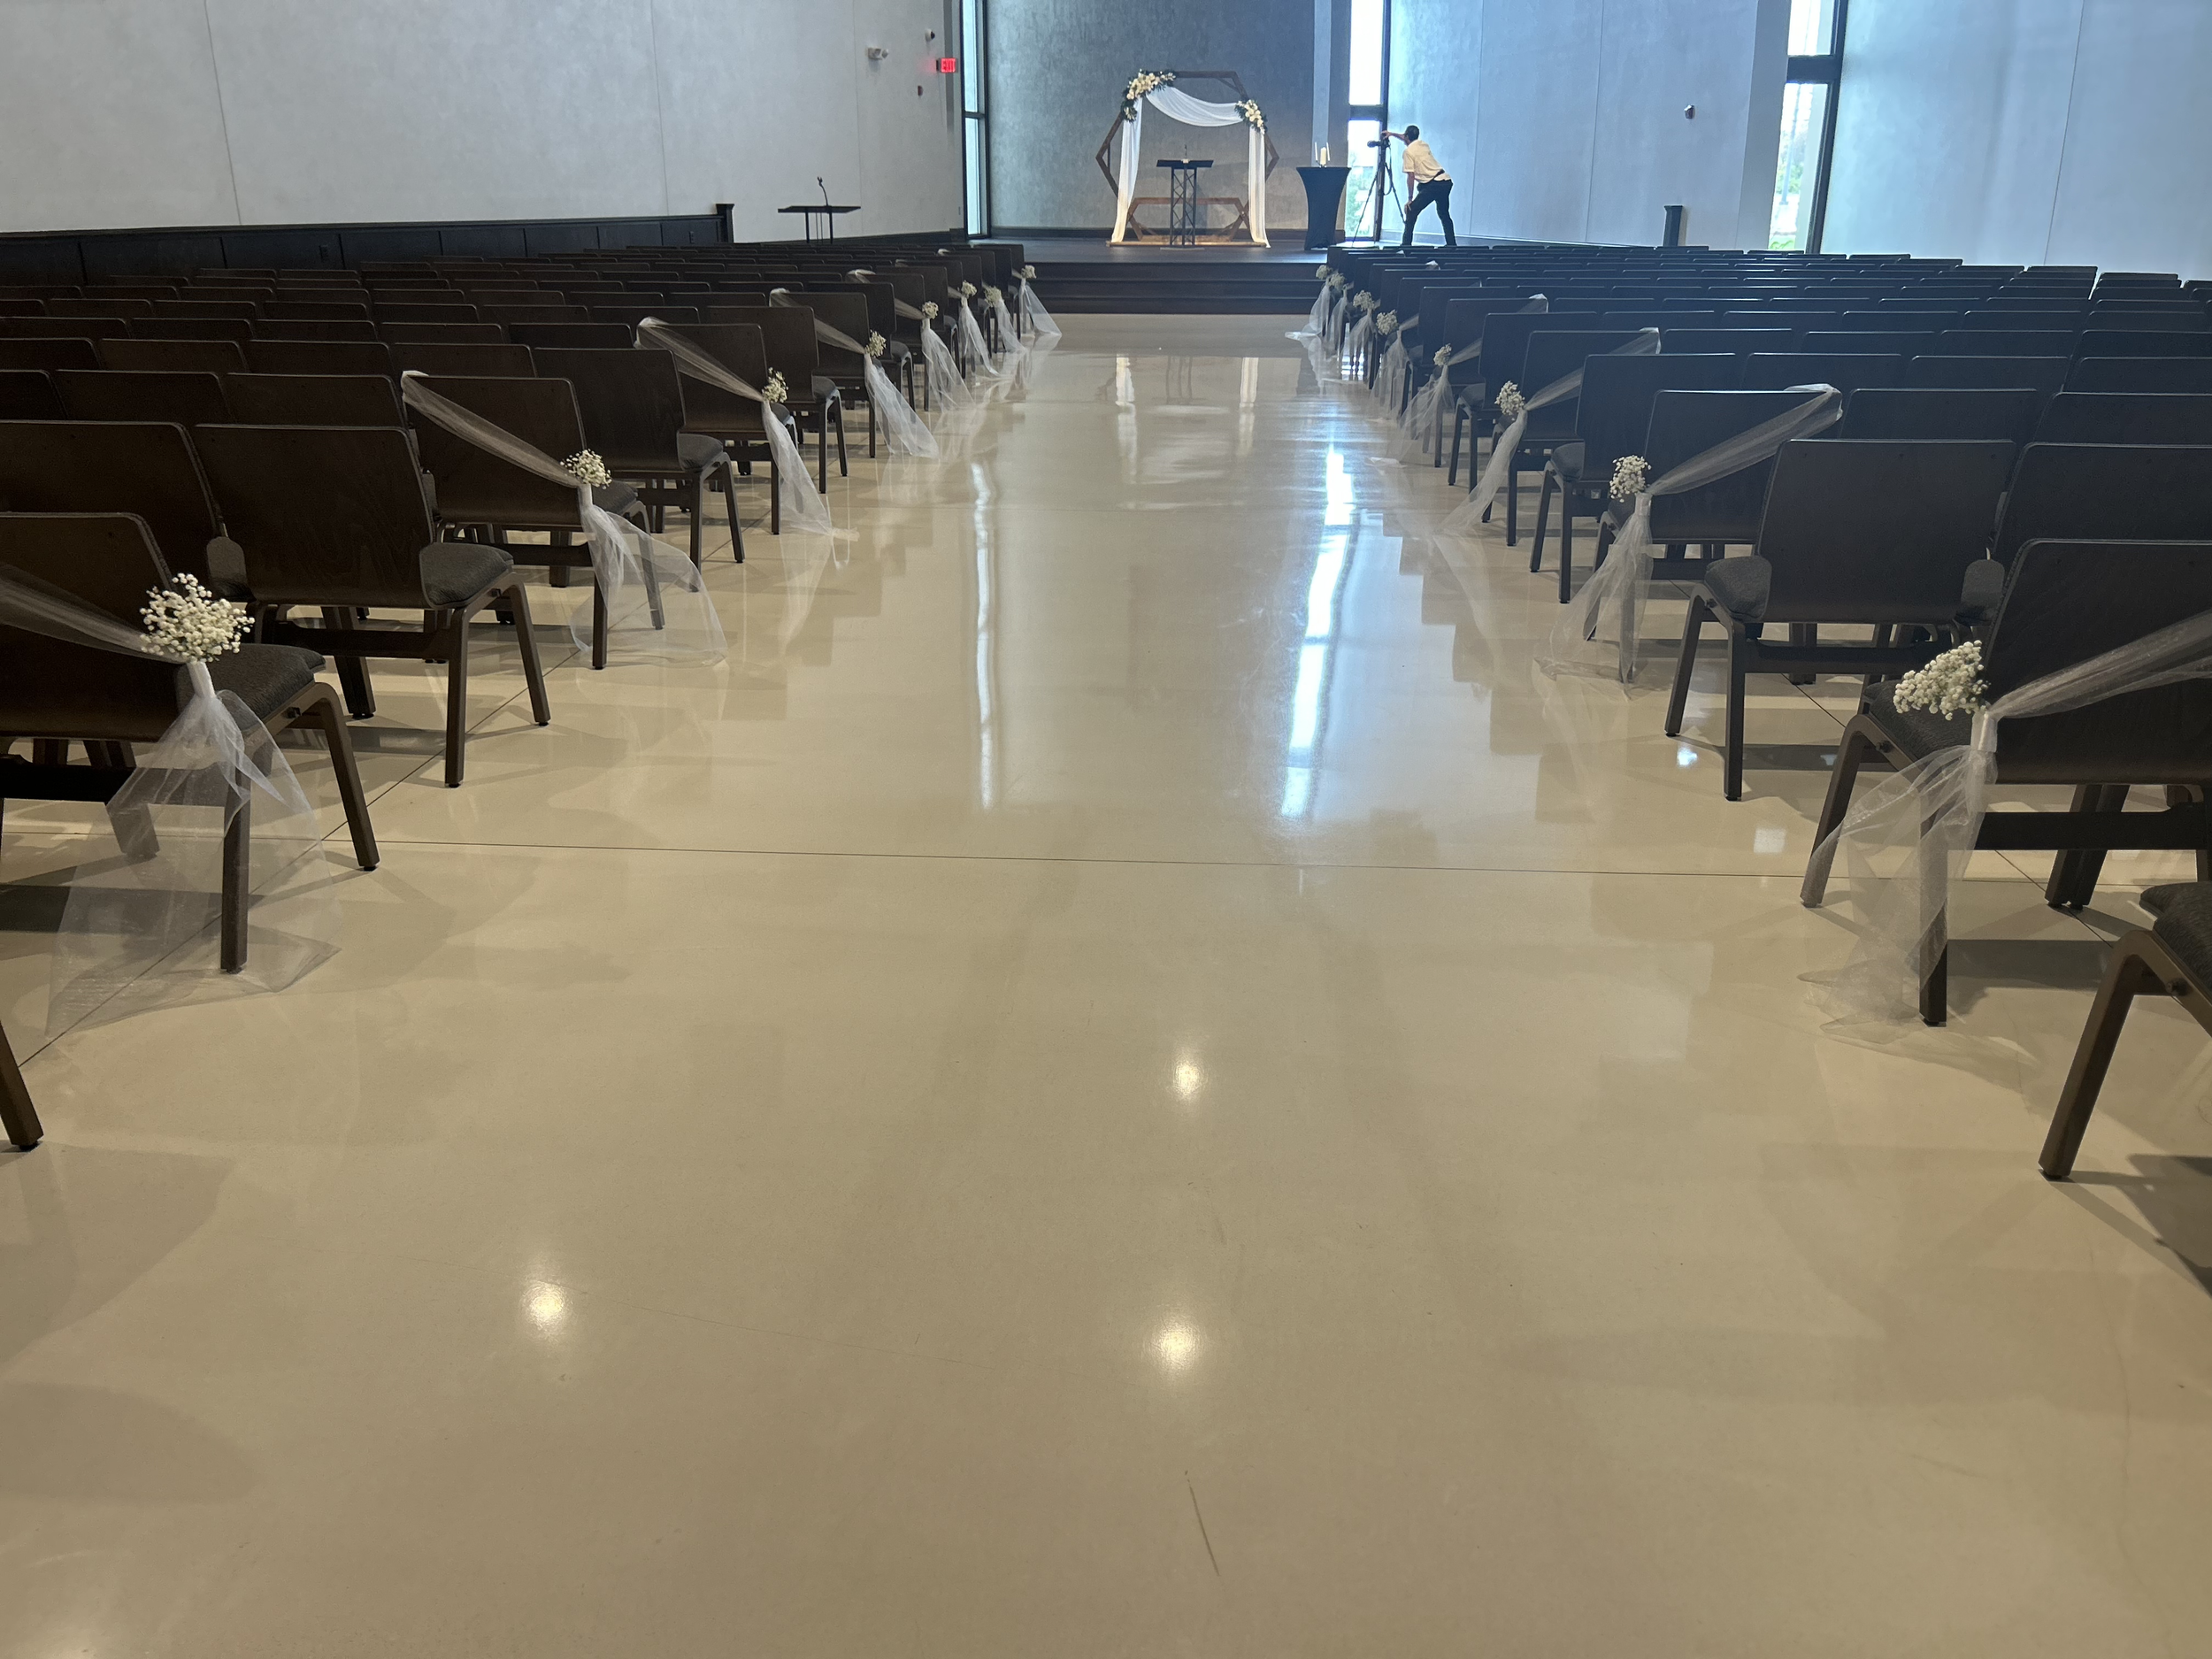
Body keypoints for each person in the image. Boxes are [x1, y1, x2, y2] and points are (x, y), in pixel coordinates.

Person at [1394, 125, 1455, 250]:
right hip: (1445, 181)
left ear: (1407, 137)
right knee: (1444, 213)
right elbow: (1406, 138)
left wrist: (1410, 199)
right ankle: (1452, 245)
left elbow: (1411, 176)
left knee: (1411, 210)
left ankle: (1406, 246)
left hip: (1434, 184)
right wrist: (1391, 134)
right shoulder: (1423, 144)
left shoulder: (1408, 152)